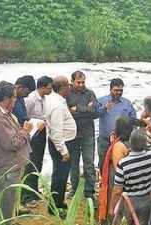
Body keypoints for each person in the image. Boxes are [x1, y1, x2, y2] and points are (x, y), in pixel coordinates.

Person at [0, 81, 33, 224]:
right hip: (5, 170)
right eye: (14, 98)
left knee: (9, 204)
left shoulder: (3, 114)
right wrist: (25, 131)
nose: (15, 101)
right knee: (4, 208)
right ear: (7, 99)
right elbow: (11, 143)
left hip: (10, 167)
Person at [109, 128, 151, 225]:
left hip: (129, 201)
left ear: (130, 143)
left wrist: (113, 208)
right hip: (146, 200)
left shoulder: (123, 163)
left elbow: (117, 191)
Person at [44, 76, 77, 217]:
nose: (70, 87)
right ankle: (55, 207)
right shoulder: (57, 105)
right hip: (61, 143)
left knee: (60, 174)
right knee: (60, 176)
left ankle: (58, 201)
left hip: (59, 142)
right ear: (63, 87)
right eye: (69, 85)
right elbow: (56, 131)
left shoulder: (54, 100)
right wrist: (63, 151)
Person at [66, 71, 99, 199]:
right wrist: (86, 109)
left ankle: (89, 191)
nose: (81, 85)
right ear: (72, 81)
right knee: (73, 163)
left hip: (87, 134)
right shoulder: (67, 94)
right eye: (78, 82)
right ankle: (74, 189)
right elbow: (67, 112)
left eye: (83, 82)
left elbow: (95, 112)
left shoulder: (90, 93)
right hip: (72, 134)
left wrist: (77, 109)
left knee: (89, 162)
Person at [21, 76, 53, 207]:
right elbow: (24, 118)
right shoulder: (31, 99)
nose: (51, 90)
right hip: (33, 134)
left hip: (41, 133)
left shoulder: (44, 99)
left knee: (38, 163)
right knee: (31, 164)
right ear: (42, 87)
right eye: (50, 87)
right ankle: (27, 196)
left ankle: (34, 191)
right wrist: (35, 125)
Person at [98, 116, 134, 224]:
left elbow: (118, 168)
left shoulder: (118, 145)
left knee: (114, 211)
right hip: (129, 182)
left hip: (117, 182)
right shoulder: (132, 142)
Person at [98, 78, 136, 172]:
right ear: (110, 89)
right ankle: (104, 184)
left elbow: (133, 120)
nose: (119, 92)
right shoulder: (101, 101)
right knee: (103, 164)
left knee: (121, 165)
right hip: (105, 141)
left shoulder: (127, 103)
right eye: (116, 90)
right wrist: (104, 108)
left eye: (121, 90)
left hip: (122, 141)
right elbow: (94, 114)